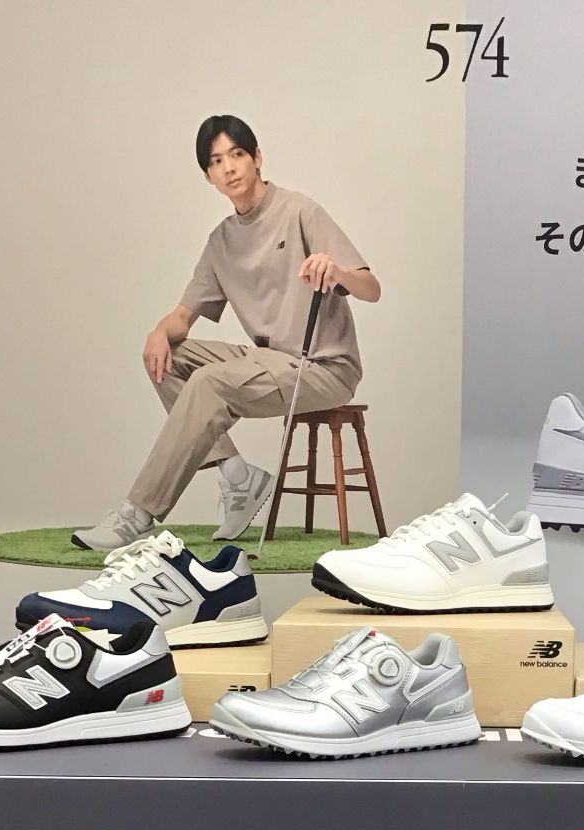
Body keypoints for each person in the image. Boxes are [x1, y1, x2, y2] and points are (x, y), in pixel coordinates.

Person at [74, 115, 379, 553]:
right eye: (217, 161)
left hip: (323, 367)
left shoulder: (300, 211)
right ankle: (238, 477)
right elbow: (183, 316)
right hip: (270, 361)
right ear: (208, 175)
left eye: (237, 154)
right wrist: (158, 331)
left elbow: (371, 288)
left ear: (257, 158)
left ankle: (136, 513)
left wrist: (338, 272)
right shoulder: (220, 241)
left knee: (209, 383)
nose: (229, 168)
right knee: (168, 357)